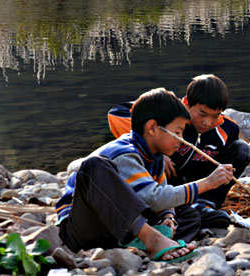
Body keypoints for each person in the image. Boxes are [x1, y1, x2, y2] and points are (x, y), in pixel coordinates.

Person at [56, 88, 235, 261]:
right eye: (178, 133)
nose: (181, 141)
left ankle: (146, 241)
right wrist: (207, 183)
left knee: (190, 216)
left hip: (120, 227)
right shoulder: (126, 154)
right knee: (94, 165)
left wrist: (168, 217)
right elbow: (155, 198)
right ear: (152, 128)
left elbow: (162, 194)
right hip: (86, 226)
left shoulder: (155, 156)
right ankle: (153, 240)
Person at [107, 75, 250, 234]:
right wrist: (156, 149)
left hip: (197, 179)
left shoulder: (228, 128)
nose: (207, 123)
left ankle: (205, 204)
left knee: (242, 149)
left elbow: (231, 156)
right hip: (164, 179)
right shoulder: (170, 111)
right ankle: (175, 210)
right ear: (187, 103)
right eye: (202, 114)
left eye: (215, 116)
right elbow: (117, 114)